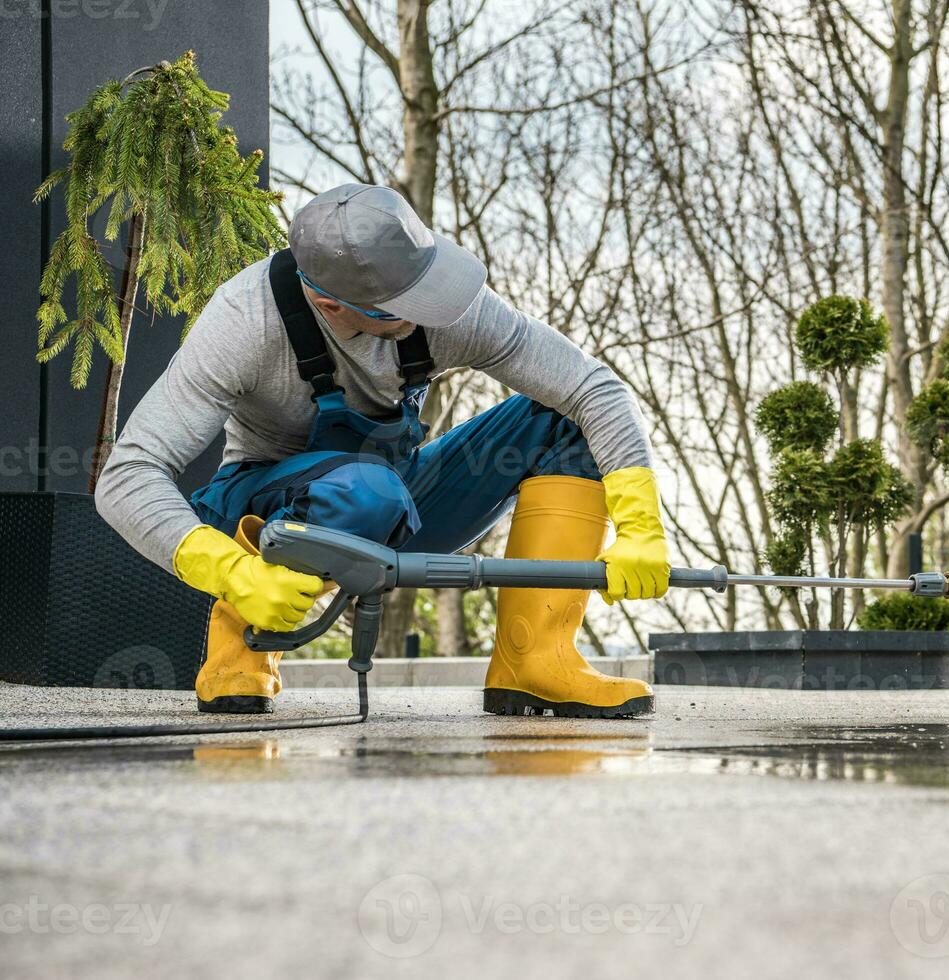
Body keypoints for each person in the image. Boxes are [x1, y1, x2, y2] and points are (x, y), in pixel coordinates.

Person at [96, 183, 668, 718]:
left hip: (397, 498)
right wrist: (233, 574)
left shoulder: (442, 304)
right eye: (402, 307)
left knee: (562, 420)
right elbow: (127, 476)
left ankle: (534, 661)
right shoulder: (246, 321)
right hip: (268, 508)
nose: (429, 312)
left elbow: (594, 389)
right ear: (330, 304)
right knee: (366, 490)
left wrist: (641, 525)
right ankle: (242, 650)